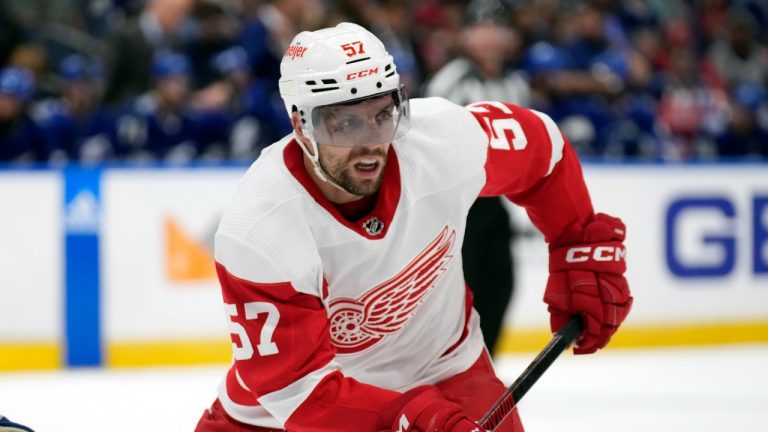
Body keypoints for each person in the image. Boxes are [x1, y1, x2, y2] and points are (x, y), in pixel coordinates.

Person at [196, 22, 632, 432]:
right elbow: (299, 391)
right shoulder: (260, 226)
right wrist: (414, 419)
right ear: (300, 124)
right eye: (345, 122)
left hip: (445, 372)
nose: (370, 141)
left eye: (382, 115)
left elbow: (542, 149)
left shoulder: (441, 140)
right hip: (277, 418)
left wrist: (576, 241)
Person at [424, 0, 530, 356]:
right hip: (459, 206)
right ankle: (457, 371)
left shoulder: (515, 83)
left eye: (496, 27)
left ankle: (487, 367)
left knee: (502, 284)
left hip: (496, 202)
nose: (488, 36)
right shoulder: (450, 81)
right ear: (466, 35)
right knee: (462, 292)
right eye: (480, 28)